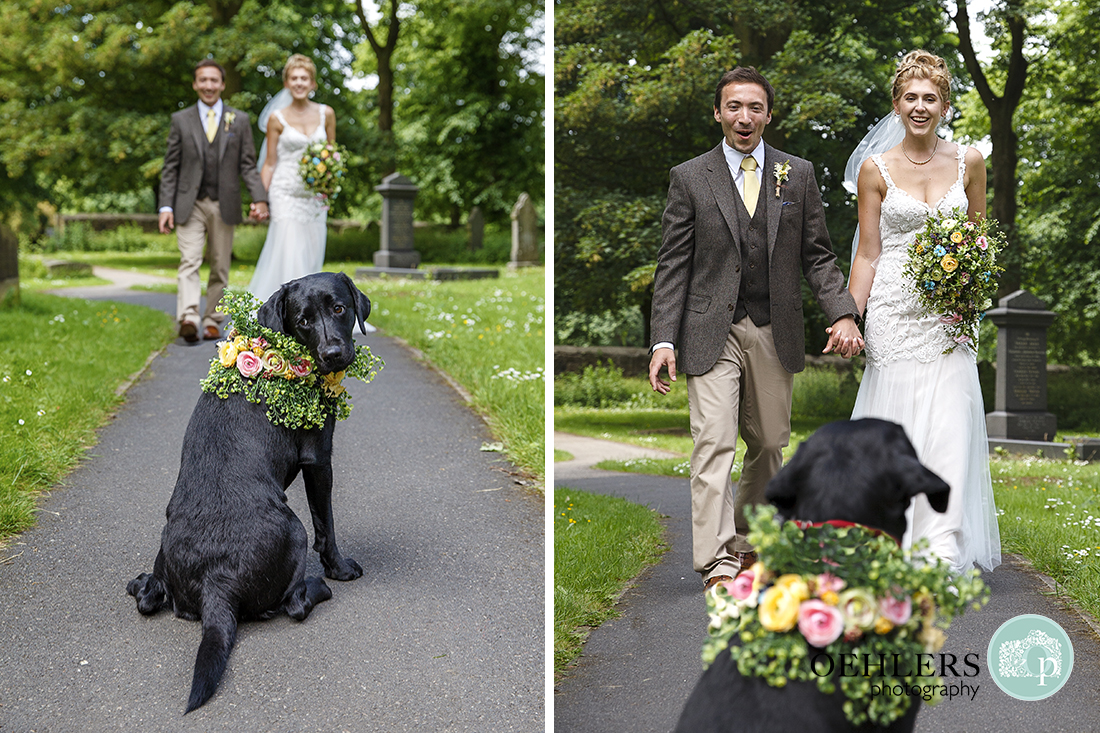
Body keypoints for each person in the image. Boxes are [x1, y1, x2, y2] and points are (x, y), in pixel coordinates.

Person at [648, 67, 864, 590]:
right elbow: (673, 264)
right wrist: (663, 339)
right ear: (718, 113)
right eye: (734, 107)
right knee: (713, 442)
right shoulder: (689, 177)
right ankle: (717, 560)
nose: (745, 118)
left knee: (769, 443)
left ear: (769, 114)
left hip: (773, 326)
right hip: (707, 331)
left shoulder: (799, 174)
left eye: (755, 108)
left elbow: (818, 255)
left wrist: (842, 311)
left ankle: (748, 538)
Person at [847, 50, 1001, 574]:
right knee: (897, 423)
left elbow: (978, 241)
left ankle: (940, 544)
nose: (919, 106)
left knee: (951, 423)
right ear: (896, 104)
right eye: (910, 97)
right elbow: (868, 253)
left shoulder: (970, 161)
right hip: (893, 312)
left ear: (944, 105)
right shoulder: (875, 170)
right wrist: (850, 316)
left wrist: (969, 292)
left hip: (951, 316)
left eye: (929, 98)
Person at [159, 59, 268, 343]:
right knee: (190, 260)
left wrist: (260, 198)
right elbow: (170, 166)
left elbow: (248, 165)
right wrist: (165, 206)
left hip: (224, 202)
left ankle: (212, 320)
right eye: (202, 80)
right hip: (189, 203)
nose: (208, 85)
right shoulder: (180, 120)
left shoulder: (239, 120)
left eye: (213, 80)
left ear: (222, 84)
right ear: (195, 84)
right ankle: (190, 317)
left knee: (220, 265)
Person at [247, 54, 336, 304]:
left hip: (315, 198)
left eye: (304, 78)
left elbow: (332, 154)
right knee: (289, 251)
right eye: (294, 78)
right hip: (284, 193)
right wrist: (259, 200)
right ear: (286, 83)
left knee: (312, 252)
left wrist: (328, 184)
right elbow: (270, 162)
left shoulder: (326, 114)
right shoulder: (277, 118)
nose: (299, 83)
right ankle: (289, 310)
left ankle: (315, 309)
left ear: (313, 83)